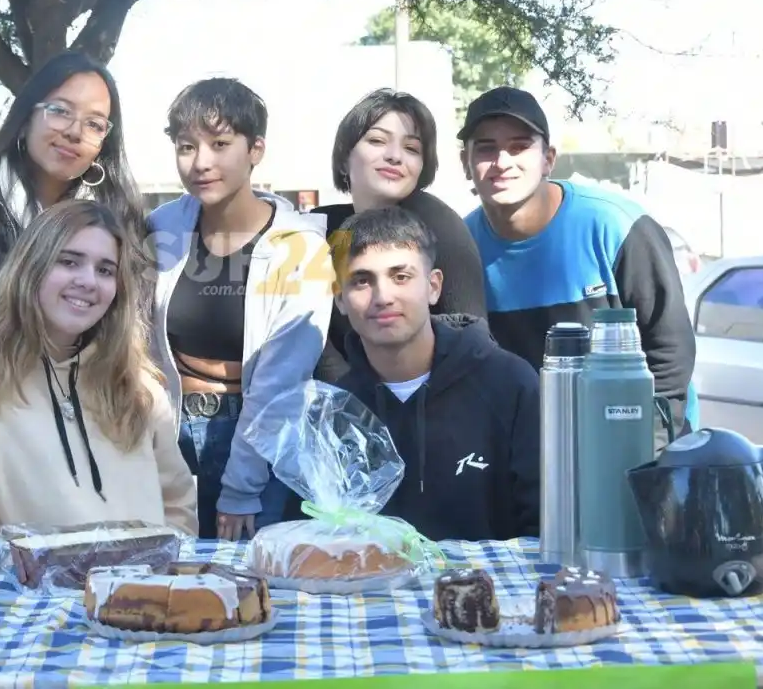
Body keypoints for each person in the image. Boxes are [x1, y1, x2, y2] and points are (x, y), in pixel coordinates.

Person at [0, 199, 197, 535]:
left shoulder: (136, 383)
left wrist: (158, 579)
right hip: (22, 586)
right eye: (70, 262)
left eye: (105, 270)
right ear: (32, 268)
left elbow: (178, 507)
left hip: (139, 586)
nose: (88, 281)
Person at [459, 86, 697, 448]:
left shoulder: (617, 226)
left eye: (520, 146)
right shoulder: (461, 248)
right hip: (530, 457)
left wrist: (645, 446)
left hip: (634, 441)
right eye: (486, 148)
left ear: (548, 159)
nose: (502, 161)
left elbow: (670, 351)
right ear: (465, 163)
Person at [148, 78, 332, 541]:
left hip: (256, 441)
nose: (201, 162)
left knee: (250, 584)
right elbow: (137, 341)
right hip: (169, 431)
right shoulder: (161, 228)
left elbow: (280, 380)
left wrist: (241, 489)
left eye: (221, 143)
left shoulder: (300, 247)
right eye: (186, 146)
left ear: (256, 149)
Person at [333, 206, 539, 541]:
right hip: (372, 592)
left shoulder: (510, 384)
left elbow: (543, 525)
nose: (383, 297)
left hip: (493, 587)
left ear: (433, 286)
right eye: (361, 280)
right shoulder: (337, 410)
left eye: (401, 277)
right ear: (340, 298)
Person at [0, 51, 147, 334]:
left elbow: (128, 330)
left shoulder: (121, 218)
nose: (75, 132)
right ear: (25, 119)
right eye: (60, 111)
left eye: (94, 124)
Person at [311, 88, 486, 384]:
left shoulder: (440, 226)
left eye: (412, 148)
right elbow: (311, 337)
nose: (394, 156)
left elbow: (472, 341)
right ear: (344, 159)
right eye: (377, 141)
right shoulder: (318, 230)